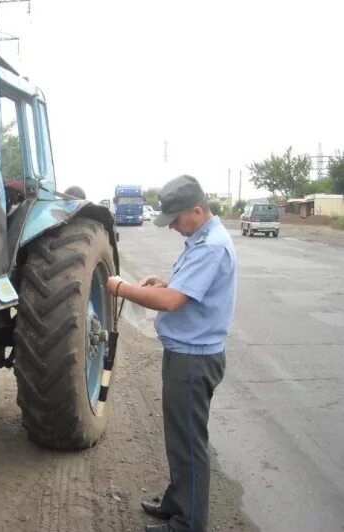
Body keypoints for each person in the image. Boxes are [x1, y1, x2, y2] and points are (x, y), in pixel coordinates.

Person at [106, 175, 236, 532]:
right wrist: (165, 283)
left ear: (198, 209)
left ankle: (188, 523)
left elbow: (172, 302)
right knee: (180, 437)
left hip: (194, 360)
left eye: (177, 219)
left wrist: (123, 288)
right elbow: (184, 291)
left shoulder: (211, 245)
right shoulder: (200, 239)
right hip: (185, 354)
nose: (174, 227)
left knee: (189, 443)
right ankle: (177, 503)